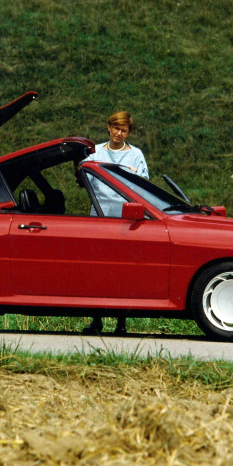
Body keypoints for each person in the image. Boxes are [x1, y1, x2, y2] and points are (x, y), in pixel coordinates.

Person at [82, 111, 149, 336]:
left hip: (126, 220)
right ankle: (96, 320)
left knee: (122, 271)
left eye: (124, 130)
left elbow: (143, 184)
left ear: (128, 133)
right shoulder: (96, 152)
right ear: (108, 128)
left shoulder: (136, 154)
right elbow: (84, 178)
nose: (119, 134)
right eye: (116, 128)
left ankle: (121, 322)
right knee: (98, 270)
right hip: (100, 218)